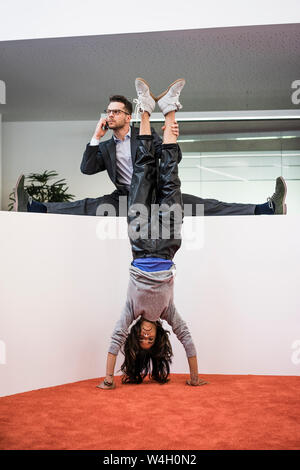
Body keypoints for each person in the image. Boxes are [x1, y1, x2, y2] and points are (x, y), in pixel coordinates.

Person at [13, 87, 287, 217]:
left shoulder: (145, 136)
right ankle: (34, 207)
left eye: (116, 111)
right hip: (126, 197)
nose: (110, 115)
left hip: (157, 192)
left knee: (205, 205)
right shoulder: (106, 147)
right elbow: (86, 168)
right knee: (88, 205)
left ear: (128, 116)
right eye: (108, 111)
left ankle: (267, 208)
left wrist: (171, 141)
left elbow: (173, 157)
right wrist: (96, 137)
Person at [97, 78, 208, 390]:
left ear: (137, 335)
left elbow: (114, 340)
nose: (145, 335)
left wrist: (109, 377)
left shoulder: (130, 312)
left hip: (141, 241)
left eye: (141, 338)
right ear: (159, 335)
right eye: (151, 338)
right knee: (170, 176)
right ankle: (170, 108)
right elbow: (186, 338)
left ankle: (145, 109)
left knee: (143, 172)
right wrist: (195, 376)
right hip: (169, 243)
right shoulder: (167, 313)